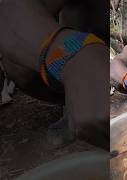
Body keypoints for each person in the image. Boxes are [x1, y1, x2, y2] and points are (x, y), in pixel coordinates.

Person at [0, 0, 107, 150]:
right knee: (18, 67)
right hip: (79, 46)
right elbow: (9, 10)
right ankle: (71, 106)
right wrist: (70, 53)